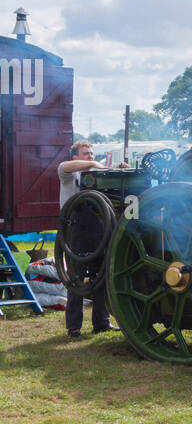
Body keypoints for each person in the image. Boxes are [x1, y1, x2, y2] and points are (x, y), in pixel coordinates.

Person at [57, 140, 123, 338]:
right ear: (75, 156)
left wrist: (114, 169)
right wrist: (94, 164)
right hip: (75, 228)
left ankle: (101, 322)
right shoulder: (67, 172)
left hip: (97, 228)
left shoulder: (93, 173)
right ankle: (74, 327)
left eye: (92, 153)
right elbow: (64, 166)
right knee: (76, 277)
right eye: (86, 153)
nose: (90, 156)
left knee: (101, 274)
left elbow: (100, 168)